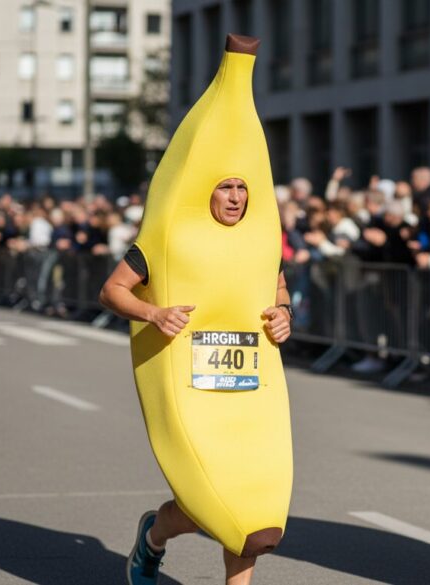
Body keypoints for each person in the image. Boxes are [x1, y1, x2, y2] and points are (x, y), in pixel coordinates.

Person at [100, 177, 293, 585]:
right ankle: (152, 538)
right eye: (226, 188)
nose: (237, 198)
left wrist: (284, 314)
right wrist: (154, 314)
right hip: (190, 385)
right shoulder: (166, 237)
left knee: (249, 503)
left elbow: (278, 286)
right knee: (200, 506)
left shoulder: (260, 237)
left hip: (249, 383)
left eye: (244, 188)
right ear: (204, 188)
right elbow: (112, 290)